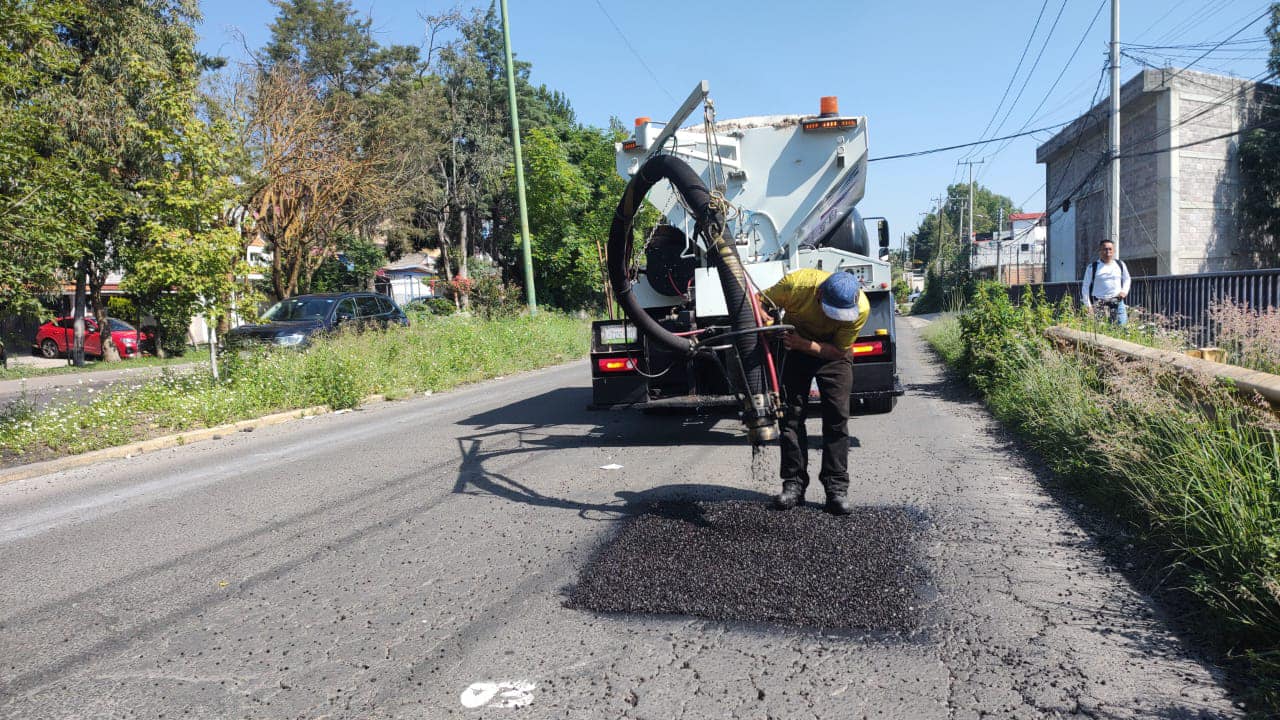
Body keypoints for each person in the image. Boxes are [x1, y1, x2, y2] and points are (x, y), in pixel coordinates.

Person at [758, 268, 869, 515]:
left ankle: (836, 489)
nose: (839, 319)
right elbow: (759, 302)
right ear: (818, 294)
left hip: (833, 356)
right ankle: (794, 483)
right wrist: (767, 319)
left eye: (842, 315)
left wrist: (805, 344)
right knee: (792, 417)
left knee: (837, 418)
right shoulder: (796, 286)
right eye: (833, 313)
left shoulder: (860, 308)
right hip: (796, 350)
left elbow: (839, 352)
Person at [1081, 239, 1131, 325]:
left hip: (1117, 301)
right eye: (1105, 249)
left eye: (1110, 249)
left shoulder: (1120, 264)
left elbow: (1127, 278)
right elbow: (1085, 287)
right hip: (1099, 303)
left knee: (1122, 327)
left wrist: (1124, 291)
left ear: (1113, 251)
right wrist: (1088, 306)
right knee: (1101, 329)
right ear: (1100, 251)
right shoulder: (1092, 267)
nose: (1108, 251)